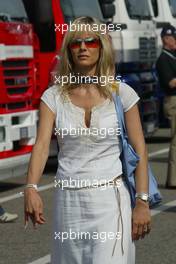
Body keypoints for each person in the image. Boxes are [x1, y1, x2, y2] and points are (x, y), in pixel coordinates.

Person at [24, 16, 151, 264]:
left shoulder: (122, 93)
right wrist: (30, 188)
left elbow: (140, 150)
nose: (83, 47)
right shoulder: (53, 97)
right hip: (68, 203)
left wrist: (142, 202)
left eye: (91, 42)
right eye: (76, 43)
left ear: (101, 48)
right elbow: (40, 146)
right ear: (69, 50)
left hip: (111, 201)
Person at [156, 24, 176, 188]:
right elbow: (171, 82)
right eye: (172, 38)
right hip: (173, 101)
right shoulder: (163, 59)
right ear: (165, 40)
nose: (175, 40)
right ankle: (173, 180)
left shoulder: (173, 55)